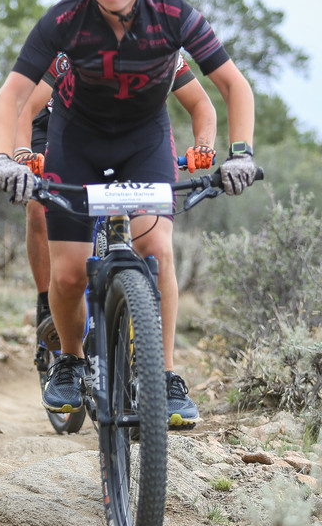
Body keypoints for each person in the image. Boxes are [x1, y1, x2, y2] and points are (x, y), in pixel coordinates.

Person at [0, 0, 255, 428]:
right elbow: (12, 96)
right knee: (68, 276)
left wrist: (241, 153)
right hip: (76, 143)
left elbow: (232, 86)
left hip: (143, 143)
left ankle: (165, 376)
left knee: (157, 249)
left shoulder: (172, 15)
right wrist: (5, 159)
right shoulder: (65, 20)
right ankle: (69, 360)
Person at [14, 50, 218, 355]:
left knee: (155, 242)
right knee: (39, 205)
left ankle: (157, 365)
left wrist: (203, 145)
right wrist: (24, 153)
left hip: (125, 134)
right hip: (57, 122)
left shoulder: (159, 46)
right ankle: (48, 304)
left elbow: (201, 102)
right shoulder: (74, 46)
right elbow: (26, 106)